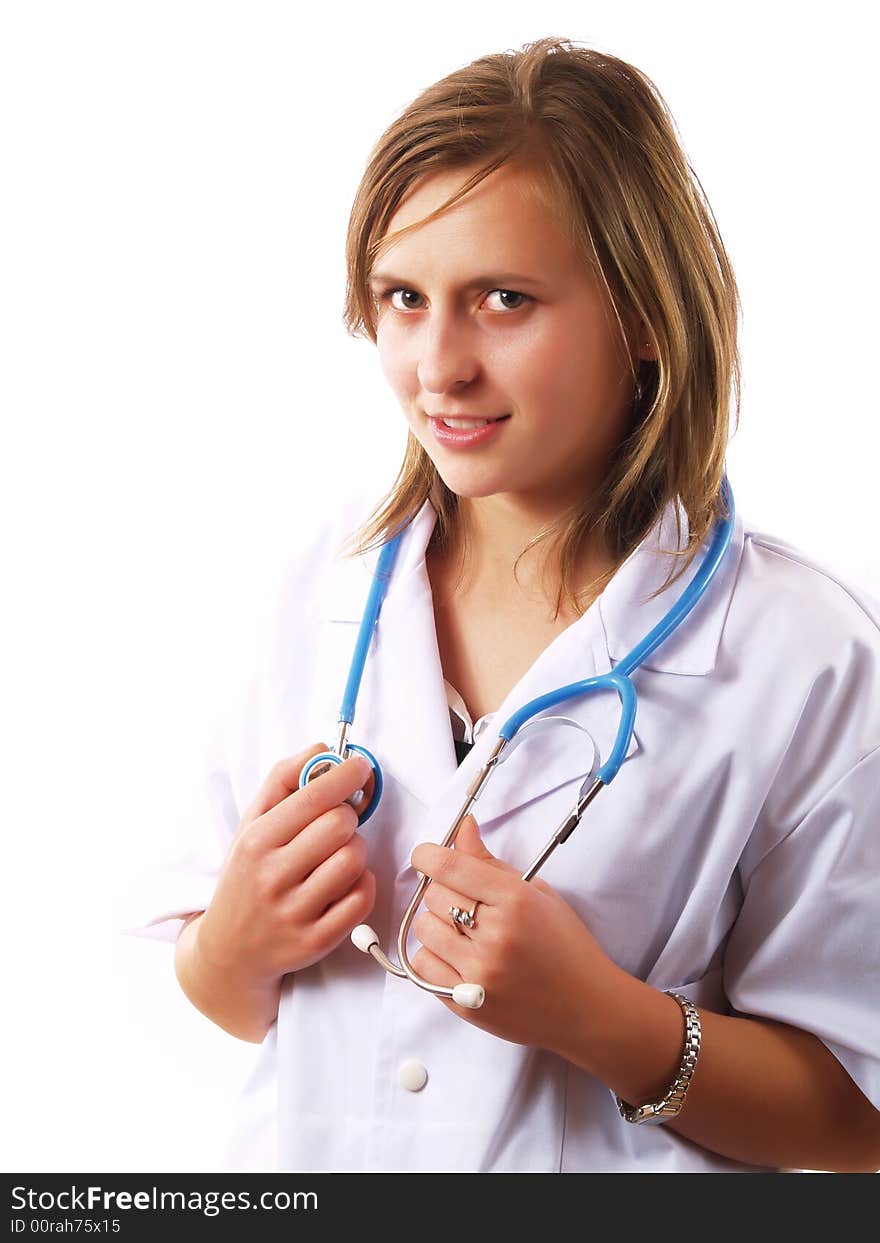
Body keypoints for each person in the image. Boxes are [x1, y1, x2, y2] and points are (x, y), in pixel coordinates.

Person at [127, 37, 880, 1173]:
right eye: (402, 299)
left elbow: (858, 1118)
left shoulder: (803, 656)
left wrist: (601, 1018)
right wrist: (234, 940)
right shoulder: (313, 586)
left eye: (502, 300)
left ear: (642, 314)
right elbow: (226, 993)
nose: (439, 366)